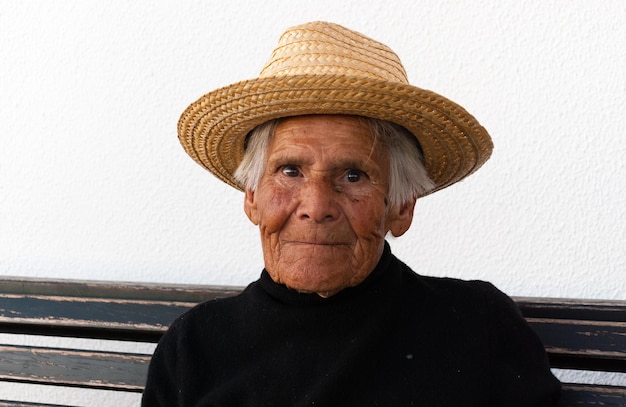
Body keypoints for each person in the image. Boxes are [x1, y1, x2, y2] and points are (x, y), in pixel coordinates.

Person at [142, 21, 561, 406]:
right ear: (252, 197)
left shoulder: (474, 323)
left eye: (354, 175)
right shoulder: (194, 344)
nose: (317, 206)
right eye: (290, 171)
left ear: (401, 206)